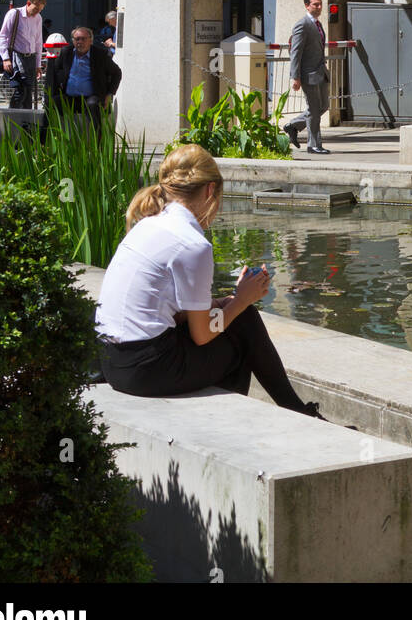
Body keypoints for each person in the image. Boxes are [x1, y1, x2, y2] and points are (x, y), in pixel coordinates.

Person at [95, 144, 324, 417]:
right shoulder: (193, 243)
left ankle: (296, 410)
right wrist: (241, 300)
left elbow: (167, 311)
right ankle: (236, 423)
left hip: (113, 360)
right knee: (240, 341)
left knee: (241, 317)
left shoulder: (149, 223)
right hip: (147, 369)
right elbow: (202, 336)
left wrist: (222, 302)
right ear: (209, 190)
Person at [47, 25, 121, 131]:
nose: (80, 42)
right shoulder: (66, 53)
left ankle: (96, 141)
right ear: (73, 41)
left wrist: (109, 94)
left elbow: (117, 73)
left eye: (83, 39)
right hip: (70, 97)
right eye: (77, 39)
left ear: (90, 41)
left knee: (93, 105)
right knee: (53, 102)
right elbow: (55, 71)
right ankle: (46, 139)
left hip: (91, 97)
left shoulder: (100, 55)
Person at [283, 0, 330, 154]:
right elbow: (296, 52)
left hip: (320, 72)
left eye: (320, 4)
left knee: (324, 106)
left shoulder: (318, 24)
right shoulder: (302, 24)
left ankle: (293, 125)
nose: (318, 7)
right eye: (315, 5)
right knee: (314, 109)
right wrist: (295, 77)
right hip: (308, 74)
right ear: (307, 6)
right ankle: (314, 145)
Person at [0, 0, 46, 109]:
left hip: (31, 58)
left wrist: (38, 64)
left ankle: (27, 123)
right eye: (35, 9)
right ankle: (11, 119)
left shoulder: (38, 18)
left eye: (39, 10)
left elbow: (38, 42)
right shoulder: (14, 14)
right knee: (20, 91)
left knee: (28, 93)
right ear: (28, 3)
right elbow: (2, 36)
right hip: (16, 57)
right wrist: (5, 59)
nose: (36, 13)